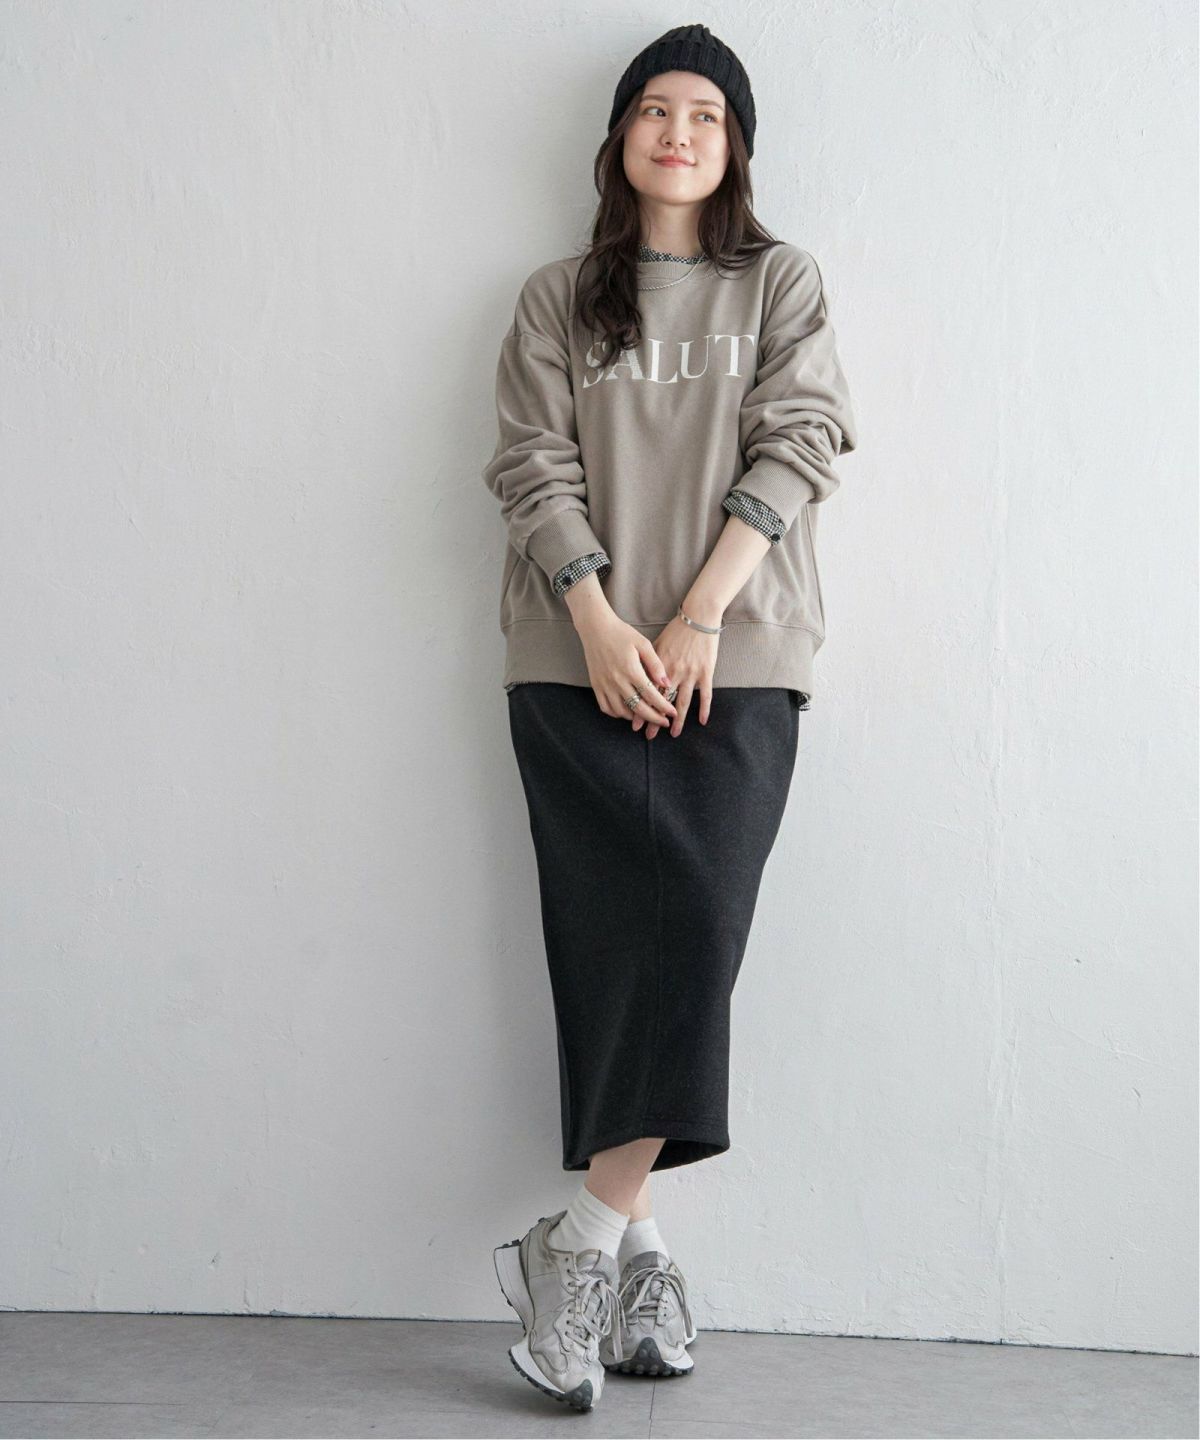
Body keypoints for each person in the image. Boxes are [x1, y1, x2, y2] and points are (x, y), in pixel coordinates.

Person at [483, 22, 858, 1413]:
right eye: (655, 107)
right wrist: (596, 620)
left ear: (735, 142)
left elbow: (804, 437)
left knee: (694, 939)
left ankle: (574, 1243)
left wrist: (699, 615)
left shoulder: (781, 281)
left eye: (706, 111)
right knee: (612, 959)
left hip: (736, 657)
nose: (680, 130)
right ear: (620, 137)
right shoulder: (556, 297)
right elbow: (529, 464)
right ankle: (643, 1271)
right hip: (573, 657)